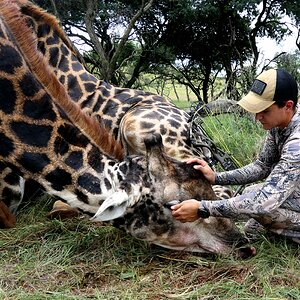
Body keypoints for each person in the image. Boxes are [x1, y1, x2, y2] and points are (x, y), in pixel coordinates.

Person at [171, 68, 300, 244]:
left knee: (264, 209)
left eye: (264, 110)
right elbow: (262, 165)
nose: (257, 117)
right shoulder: (279, 126)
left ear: (288, 106)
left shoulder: (296, 142)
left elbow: (264, 202)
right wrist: (216, 177)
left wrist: (202, 208)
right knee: (250, 208)